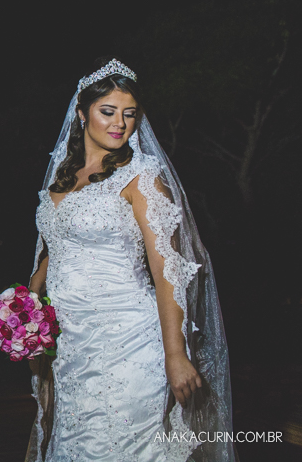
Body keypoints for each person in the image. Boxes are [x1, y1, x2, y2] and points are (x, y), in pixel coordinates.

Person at [23, 58, 237, 461]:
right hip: (72, 349)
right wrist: (24, 310)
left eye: (129, 114)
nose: (120, 123)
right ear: (83, 113)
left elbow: (168, 269)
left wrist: (176, 355)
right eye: (108, 112)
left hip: (131, 344)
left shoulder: (141, 177)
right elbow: (54, 251)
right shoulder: (61, 178)